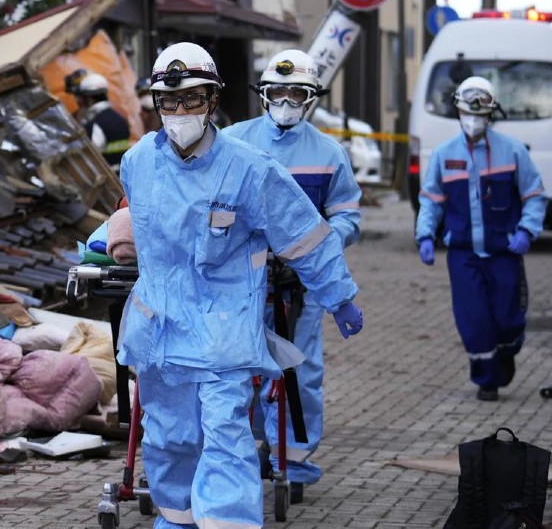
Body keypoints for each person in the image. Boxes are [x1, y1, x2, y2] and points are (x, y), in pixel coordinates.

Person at [118, 41, 364, 528]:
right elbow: (131, 220)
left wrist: (339, 297)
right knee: (167, 440)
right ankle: (177, 518)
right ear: (156, 103)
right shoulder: (138, 160)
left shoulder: (250, 168)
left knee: (226, 440)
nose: (180, 111)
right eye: (170, 101)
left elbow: (304, 237)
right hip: (159, 334)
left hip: (221, 337)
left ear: (212, 100)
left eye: (192, 99)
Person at [223, 48, 362, 503]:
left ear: (310, 98)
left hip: (301, 287)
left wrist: (321, 246)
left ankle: (295, 459)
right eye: (277, 91)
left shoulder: (328, 153)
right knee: (240, 368)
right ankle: (251, 450)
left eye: (295, 93)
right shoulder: (232, 143)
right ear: (263, 95)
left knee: (300, 371)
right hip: (240, 284)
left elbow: (347, 215)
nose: (285, 100)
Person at [415, 76, 546, 402]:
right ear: (458, 111)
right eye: (466, 111)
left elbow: (535, 196)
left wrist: (527, 231)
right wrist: (425, 235)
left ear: (491, 113)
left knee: (507, 320)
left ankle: (507, 351)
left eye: (479, 112)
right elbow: (431, 200)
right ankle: (487, 380)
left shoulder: (512, 151)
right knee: (473, 321)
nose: (472, 119)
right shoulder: (445, 155)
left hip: (504, 251)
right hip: (463, 254)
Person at [67, 70, 131, 165]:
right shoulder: (121, 119)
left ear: (89, 98)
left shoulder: (95, 124)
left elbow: (91, 157)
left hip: (109, 177)